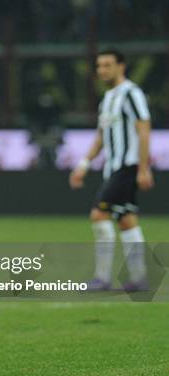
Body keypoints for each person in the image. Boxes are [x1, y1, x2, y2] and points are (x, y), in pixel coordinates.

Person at [69, 48, 153, 291]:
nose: (102, 70)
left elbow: (144, 129)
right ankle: (139, 279)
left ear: (121, 66)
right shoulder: (108, 99)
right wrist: (83, 165)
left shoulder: (131, 93)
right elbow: (102, 137)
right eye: (99, 66)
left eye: (107, 65)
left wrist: (144, 168)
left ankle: (102, 278)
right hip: (112, 168)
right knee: (126, 220)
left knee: (98, 214)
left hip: (127, 166)